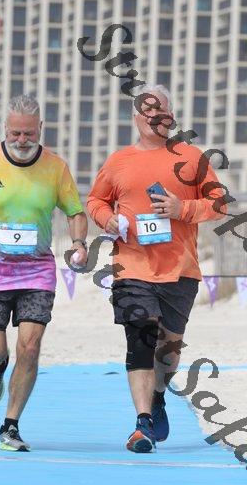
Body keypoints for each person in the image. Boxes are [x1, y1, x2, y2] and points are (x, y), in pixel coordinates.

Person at [87, 84, 226, 453]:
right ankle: (142, 423)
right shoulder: (118, 161)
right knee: (141, 336)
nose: (153, 117)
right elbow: (96, 200)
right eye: (146, 111)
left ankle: (159, 395)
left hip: (180, 269)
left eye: (159, 110)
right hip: (131, 265)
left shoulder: (191, 157)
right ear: (136, 118)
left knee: (169, 348)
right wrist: (107, 219)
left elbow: (219, 204)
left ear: (171, 116)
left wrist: (183, 209)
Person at [0, 94, 87, 452]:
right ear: (5, 129)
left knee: (30, 345)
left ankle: (10, 425)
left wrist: (79, 242)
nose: (22, 140)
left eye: (29, 133)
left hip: (36, 270)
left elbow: (75, 211)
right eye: (15, 133)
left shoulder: (55, 167)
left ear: (40, 129)